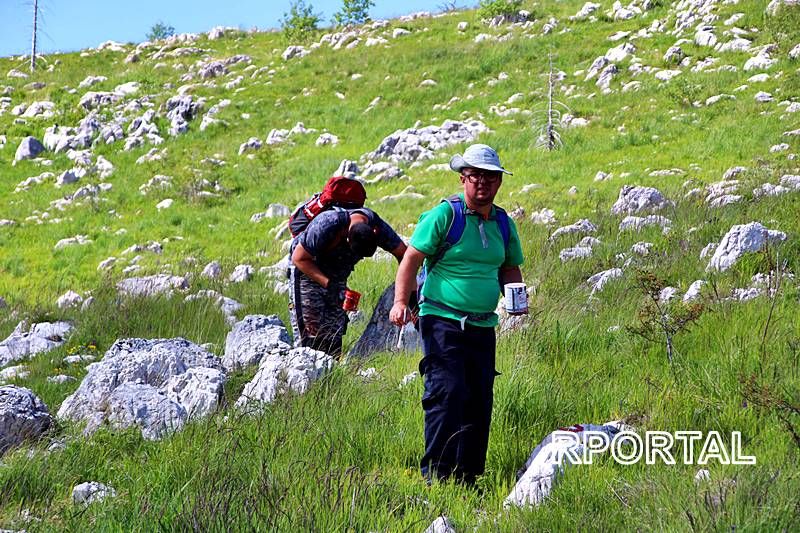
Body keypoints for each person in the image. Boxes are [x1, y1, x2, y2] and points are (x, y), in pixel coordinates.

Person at [389, 144, 526, 484]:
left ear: (499, 182)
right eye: (476, 176)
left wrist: (516, 297)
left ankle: (467, 478)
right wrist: (400, 302)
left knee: (479, 399)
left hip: (483, 325)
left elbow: (509, 267)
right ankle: (436, 476)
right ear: (464, 178)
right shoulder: (444, 217)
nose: (484, 183)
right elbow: (411, 259)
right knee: (447, 393)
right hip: (441, 320)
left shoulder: (504, 224)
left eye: (491, 177)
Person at [290, 206, 407, 357]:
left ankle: (331, 375)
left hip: (337, 277)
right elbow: (299, 258)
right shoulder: (327, 224)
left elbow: (404, 254)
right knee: (311, 335)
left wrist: (406, 293)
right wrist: (330, 285)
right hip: (307, 272)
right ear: (347, 238)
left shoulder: (377, 226)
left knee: (334, 335)